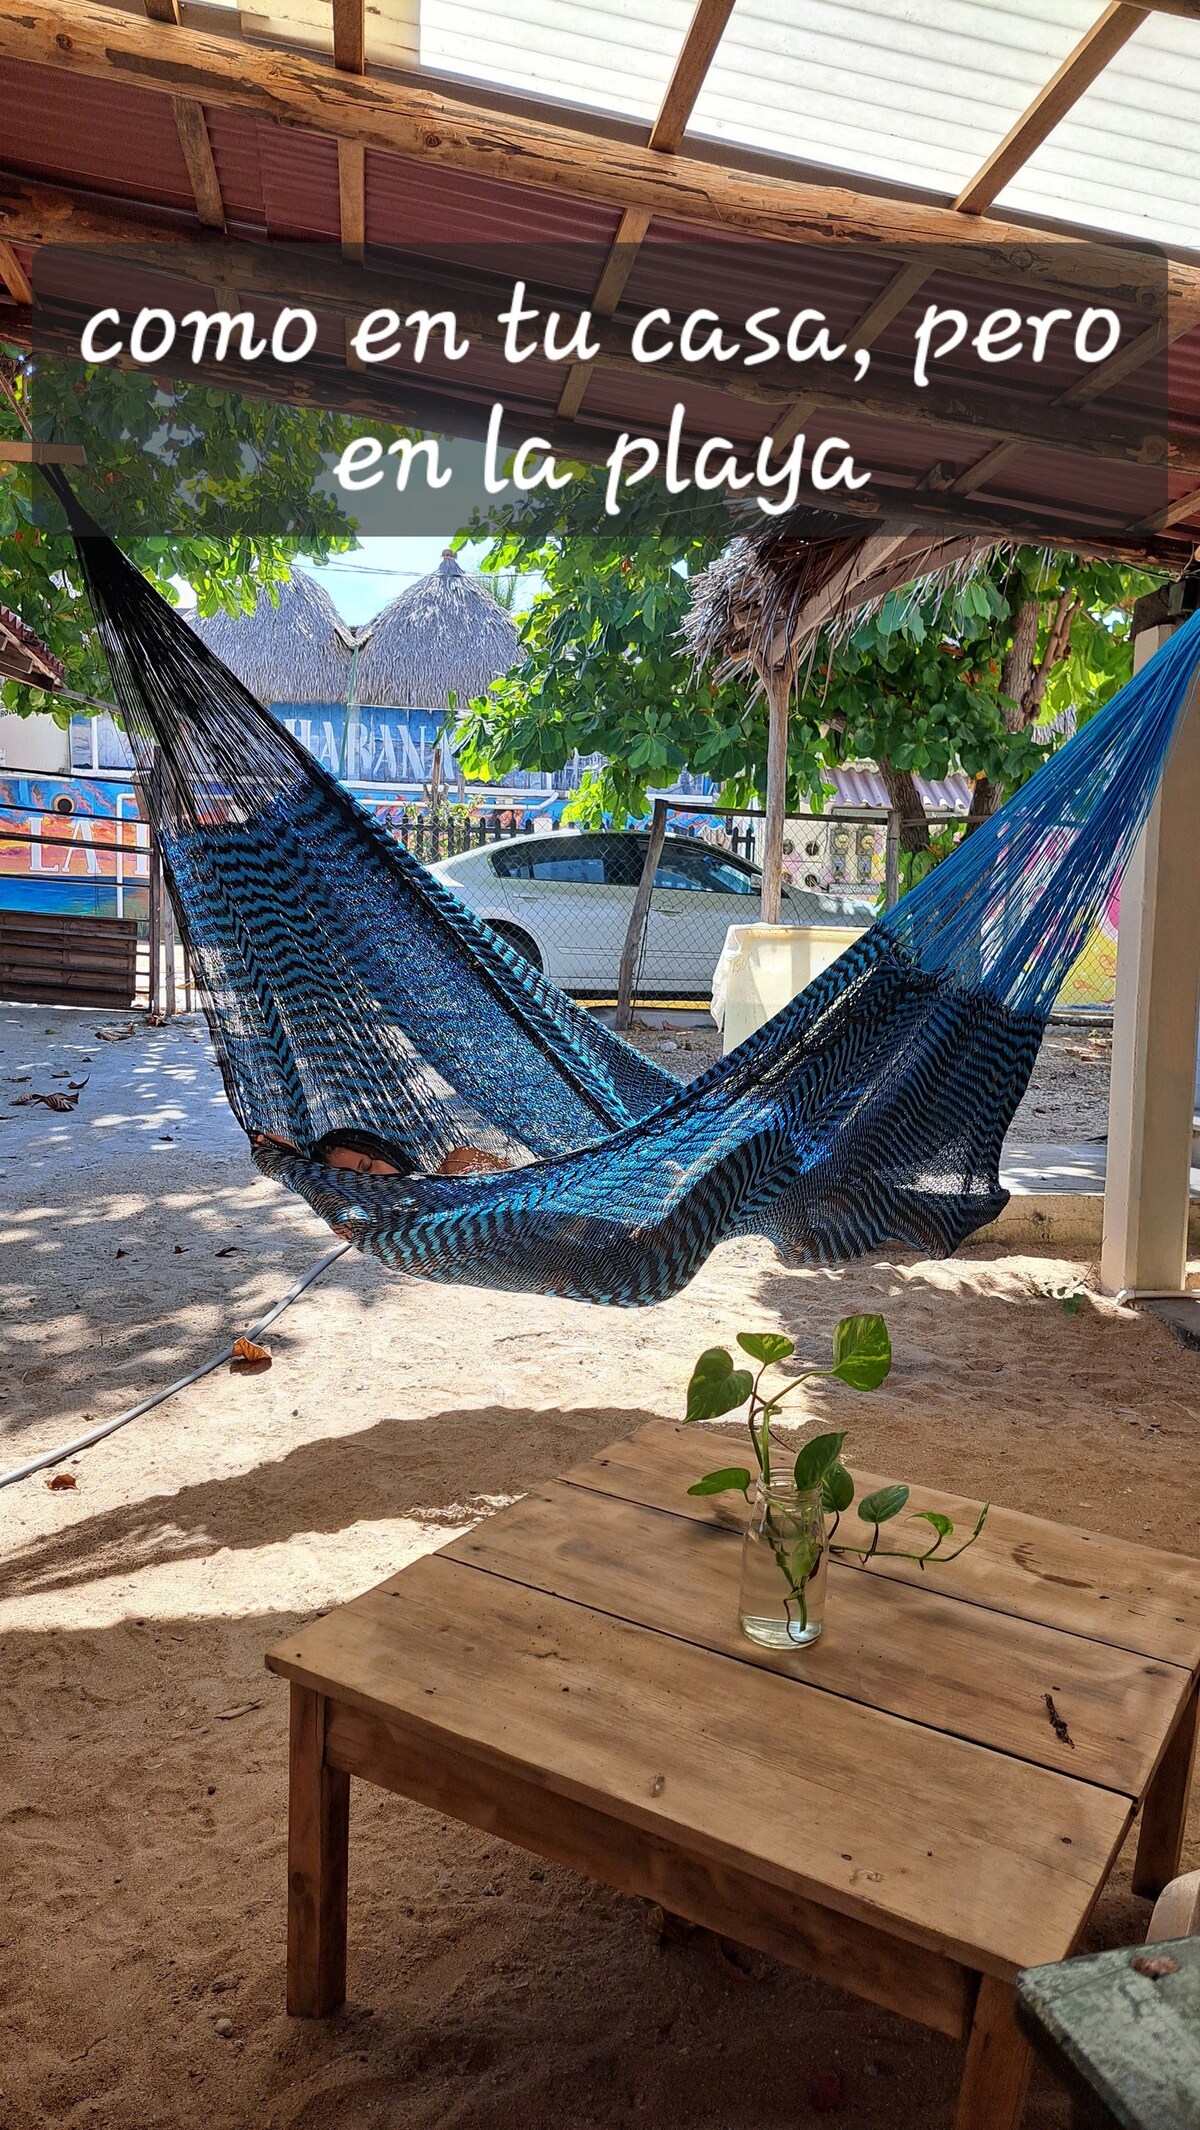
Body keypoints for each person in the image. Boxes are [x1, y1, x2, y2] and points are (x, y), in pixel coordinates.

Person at [251, 1128, 510, 1178]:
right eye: (358, 1179)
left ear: (381, 1151)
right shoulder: (376, 1223)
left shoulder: (458, 1163)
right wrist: (293, 1158)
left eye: (367, 1166)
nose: (375, 1176)